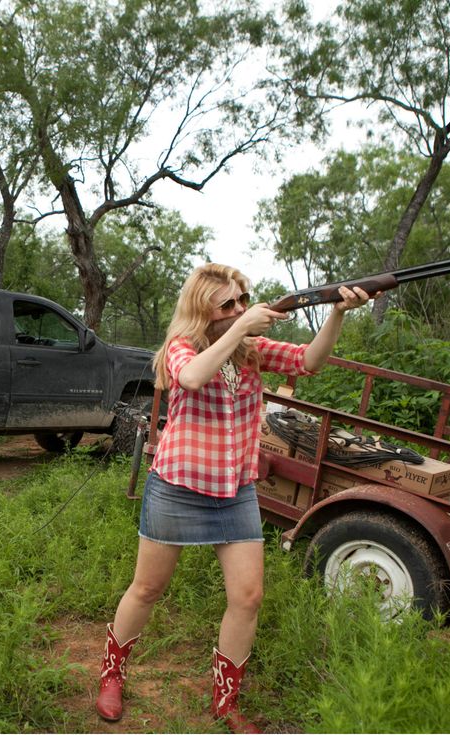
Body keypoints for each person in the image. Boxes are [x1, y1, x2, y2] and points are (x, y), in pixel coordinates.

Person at [94, 263, 371, 732]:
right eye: (228, 304)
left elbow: (310, 361)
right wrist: (242, 327)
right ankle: (112, 674)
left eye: (243, 300)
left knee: (248, 596)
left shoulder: (251, 351)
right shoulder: (181, 346)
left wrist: (338, 314)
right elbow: (191, 377)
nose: (240, 309)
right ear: (202, 309)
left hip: (234, 490)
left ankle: (226, 701)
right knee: (147, 589)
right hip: (177, 486)